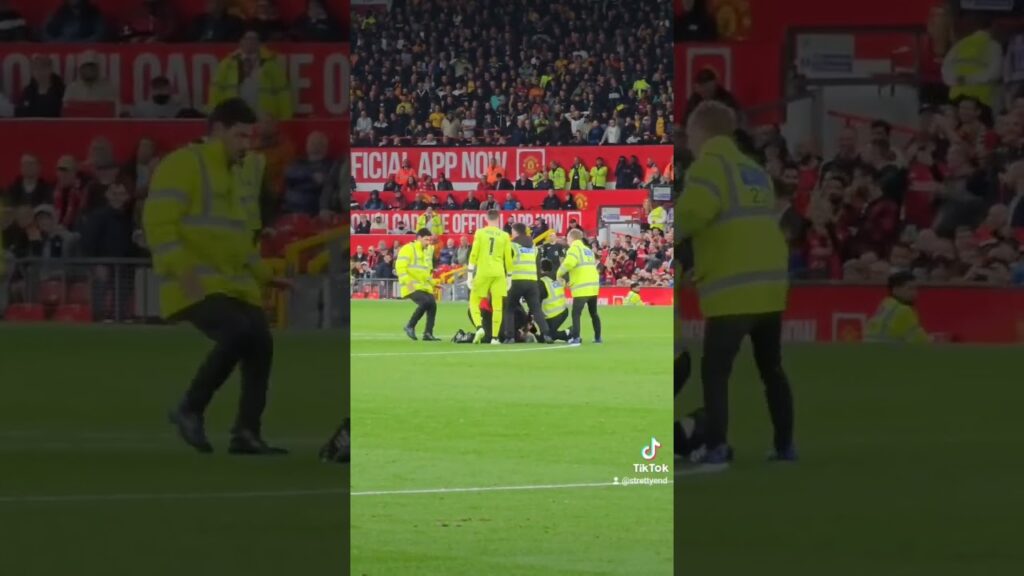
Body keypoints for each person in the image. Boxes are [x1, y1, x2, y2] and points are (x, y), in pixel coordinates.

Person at [143, 97, 291, 455]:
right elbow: (158, 224)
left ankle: (246, 433)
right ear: (219, 130)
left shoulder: (235, 173)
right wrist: (183, 273)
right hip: (193, 280)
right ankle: (190, 407)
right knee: (239, 333)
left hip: (232, 283)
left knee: (260, 343)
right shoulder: (183, 164)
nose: (247, 145)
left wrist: (262, 274)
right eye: (240, 136)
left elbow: (238, 237)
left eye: (249, 138)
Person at [678, 100, 795, 469]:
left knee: (715, 372)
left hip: (732, 288)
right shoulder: (753, 169)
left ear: (699, 132)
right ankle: (784, 446)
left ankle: (717, 448)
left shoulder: (708, 168)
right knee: (771, 369)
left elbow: (695, 214)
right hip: (770, 285)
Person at [208, 29, 293, 120]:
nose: (250, 42)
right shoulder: (226, 64)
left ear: (259, 43)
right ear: (241, 42)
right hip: (234, 116)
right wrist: (214, 115)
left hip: (263, 116)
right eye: (247, 39)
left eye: (254, 39)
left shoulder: (272, 64)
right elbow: (215, 91)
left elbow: (283, 93)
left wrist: (286, 118)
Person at [467, 209, 513, 344]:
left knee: (474, 302)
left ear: (486, 219)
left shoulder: (480, 233)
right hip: (499, 273)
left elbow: (474, 253)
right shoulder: (504, 235)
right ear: (499, 219)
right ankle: (495, 337)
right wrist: (509, 276)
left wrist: (470, 274)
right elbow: (508, 258)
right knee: (497, 306)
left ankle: (479, 327)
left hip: (483, 271)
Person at [506, 223, 552, 344]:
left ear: (515, 232)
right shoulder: (534, 247)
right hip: (531, 281)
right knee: (536, 309)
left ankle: (510, 337)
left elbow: (507, 264)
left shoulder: (512, 246)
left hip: (516, 280)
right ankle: (546, 334)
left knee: (509, 308)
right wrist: (536, 283)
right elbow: (538, 267)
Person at [556, 228, 601, 344]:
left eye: (567, 239)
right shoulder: (588, 250)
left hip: (582, 286)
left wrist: (559, 272)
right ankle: (598, 337)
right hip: (593, 286)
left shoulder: (574, 249)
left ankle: (576, 337)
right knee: (594, 313)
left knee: (576, 313)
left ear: (571, 238)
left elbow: (569, 263)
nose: (567, 241)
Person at [397, 228, 439, 341]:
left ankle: (428, 333)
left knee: (432, 305)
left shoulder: (425, 251)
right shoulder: (408, 249)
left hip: (423, 286)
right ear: (418, 238)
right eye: (426, 240)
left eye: (429, 240)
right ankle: (410, 325)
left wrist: (433, 283)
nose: (428, 243)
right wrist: (408, 284)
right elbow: (400, 268)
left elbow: (425, 272)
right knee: (426, 302)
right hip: (410, 285)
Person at [864, 271, 930, 343]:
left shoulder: (885, 304)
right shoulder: (904, 310)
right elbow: (921, 342)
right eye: (910, 288)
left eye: (916, 288)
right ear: (895, 290)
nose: (915, 293)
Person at [538, 258, 571, 341]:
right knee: (543, 337)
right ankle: (568, 334)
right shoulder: (557, 278)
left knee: (548, 335)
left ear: (541, 269)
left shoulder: (543, 282)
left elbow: (537, 301)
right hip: (562, 311)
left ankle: (570, 332)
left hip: (553, 314)